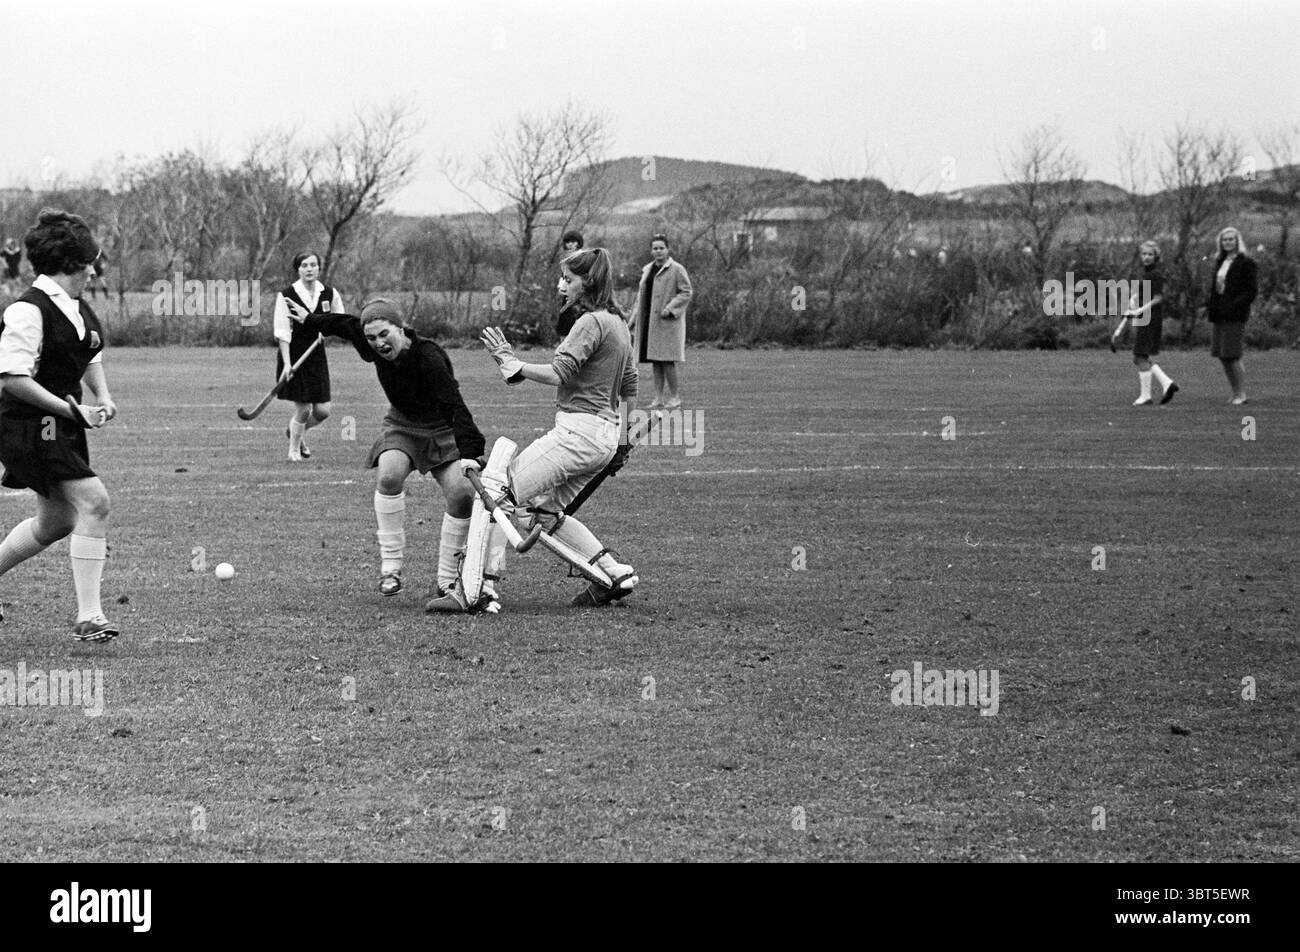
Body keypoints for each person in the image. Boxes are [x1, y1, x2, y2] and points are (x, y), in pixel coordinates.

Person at [429, 247, 639, 612]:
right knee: (543, 514)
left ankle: (479, 589)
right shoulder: (618, 322)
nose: (561, 286)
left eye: (568, 279)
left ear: (587, 282)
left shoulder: (590, 322)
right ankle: (613, 573)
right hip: (604, 438)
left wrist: (514, 363)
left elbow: (559, 372)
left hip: (577, 434)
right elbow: (630, 385)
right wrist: (621, 444)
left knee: (497, 495)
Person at [284, 297, 487, 602]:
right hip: (402, 424)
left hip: (442, 428)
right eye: (371, 338)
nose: (378, 343)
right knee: (389, 476)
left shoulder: (429, 358)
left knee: (461, 495)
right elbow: (342, 324)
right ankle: (390, 569)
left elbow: (453, 406)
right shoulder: (369, 343)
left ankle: (447, 581)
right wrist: (310, 319)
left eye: (384, 334)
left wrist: (470, 450)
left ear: (401, 327)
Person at [0, 210, 119, 642]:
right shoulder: (27, 311)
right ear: (71, 263)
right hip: (29, 426)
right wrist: (71, 412)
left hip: (61, 424)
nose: (93, 268)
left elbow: (88, 353)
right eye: (89, 261)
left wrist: (102, 397)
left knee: (55, 523)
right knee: (95, 502)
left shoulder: (76, 305)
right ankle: (90, 617)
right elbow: (13, 380)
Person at [274, 251, 343, 460]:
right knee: (303, 410)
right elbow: (282, 332)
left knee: (322, 411)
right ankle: (294, 450)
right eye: (304, 265)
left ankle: (296, 431)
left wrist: (328, 331)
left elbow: (339, 320)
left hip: (317, 355)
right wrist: (287, 364)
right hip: (294, 354)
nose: (309, 269)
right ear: (298, 269)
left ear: (319, 268)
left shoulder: (329, 293)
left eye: (313, 264)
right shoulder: (286, 295)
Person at [1112, 240, 1177, 406]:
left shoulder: (1155, 274)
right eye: (1144, 254)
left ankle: (1146, 396)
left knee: (1140, 355)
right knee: (1140, 356)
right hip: (1144, 317)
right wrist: (1134, 302)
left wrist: (1140, 310)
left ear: (1156, 256)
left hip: (1151, 318)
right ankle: (1167, 383)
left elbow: (1158, 298)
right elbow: (1143, 294)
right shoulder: (1146, 273)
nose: (1146, 257)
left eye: (1150, 254)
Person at [633, 234, 691, 409]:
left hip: (667, 323)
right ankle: (658, 398)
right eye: (655, 248)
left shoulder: (677, 269)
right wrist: (632, 319)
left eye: (661, 248)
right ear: (651, 250)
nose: (658, 251)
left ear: (668, 249)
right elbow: (641, 297)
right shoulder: (647, 269)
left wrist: (671, 308)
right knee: (655, 360)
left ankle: (675, 397)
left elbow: (686, 292)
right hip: (650, 322)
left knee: (667, 361)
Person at [1206, 226, 1257, 405]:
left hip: (1235, 315)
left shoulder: (1246, 262)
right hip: (1219, 313)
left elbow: (1251, 291)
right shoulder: (1220, 261)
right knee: (1222, 354)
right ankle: (1234, 392)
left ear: (1237, 241)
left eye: (1231, 239)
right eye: (1225, 240)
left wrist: (1234, 305)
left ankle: (1241, 394)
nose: (1228, 242)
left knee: (1232, 354)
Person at [556, 231, 585, 339]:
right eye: (568, 242)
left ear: (578, 243)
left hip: (580, 297)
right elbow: (563, 276)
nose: (570, 244)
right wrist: (561, 288)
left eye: (573, 241)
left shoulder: (583, 258)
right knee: (564, 328)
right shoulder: (566, 260)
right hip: (567, 296)